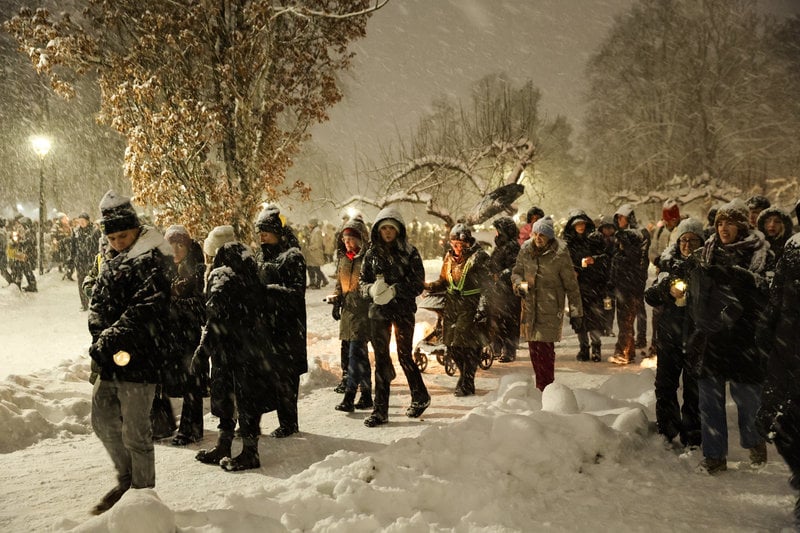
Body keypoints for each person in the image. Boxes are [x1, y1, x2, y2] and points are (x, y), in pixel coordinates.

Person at [87, 190, 173, 514]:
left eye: (123, 235)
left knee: (136, 431)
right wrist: (100, 336)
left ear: (135, 230)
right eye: (112, 238)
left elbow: (147, 309)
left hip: (141, 357)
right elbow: (96, 306)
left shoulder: (153, 260)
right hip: (109, 357)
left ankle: (143, 495)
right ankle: (126, 480)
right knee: (103, 419)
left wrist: (109, 338)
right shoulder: (108, 260)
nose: (118, 242)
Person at [685, 199, 771, 475]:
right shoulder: (707, 252)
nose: (723, 228)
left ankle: (754, 440)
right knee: (709, 400)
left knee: (748, 399)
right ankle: (714, 455)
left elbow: (766, 294)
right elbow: (696, 289)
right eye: (720, 223)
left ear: (742, 226)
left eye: (730, 223)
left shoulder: (759, 253)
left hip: (745, 338)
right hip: (711, 337)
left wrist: (742, 283)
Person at [194, 237, 276, 471]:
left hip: (229, 350)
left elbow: (214, 318)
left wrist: (204, 349)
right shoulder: (252, 276)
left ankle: (242, 450)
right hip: (249, 349)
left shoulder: (221, 277)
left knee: (229, 396)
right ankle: (237, 447)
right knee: (244, 398)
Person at [360, 207, 429, 426]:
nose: (388, 232)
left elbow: (418, 283)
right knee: (381, 359)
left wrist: (396, 290)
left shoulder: (409, 252)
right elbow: (362, 282)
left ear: (398, 230)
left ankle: (420, 396)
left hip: (403, 311)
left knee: (404, 355)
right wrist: (371, 289)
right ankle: (380, 411)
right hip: (379, 313)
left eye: (391, 228)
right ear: (378, 231)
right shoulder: (371, 254)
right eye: (384, 228)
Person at [644, 218, 704, 449]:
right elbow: (650, 296)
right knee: (665, 386)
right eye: (683, 240)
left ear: (702, 241)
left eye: (693, 240)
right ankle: (667, 431)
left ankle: (693, 435)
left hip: (697, 337)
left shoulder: (708, 265)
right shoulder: (667, 265)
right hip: (670, 336)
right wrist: (666, 288)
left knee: (693, 389)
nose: (687, 244)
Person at [757, 233, 800, 526]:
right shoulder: (794, 248)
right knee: (783, 425)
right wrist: (765, 333)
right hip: (788, 349)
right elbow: (776, 298)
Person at [511, 216, 583, 391]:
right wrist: (519, 285)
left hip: (550, 308)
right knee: (534, 350)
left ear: (550, 236)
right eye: (536, 233)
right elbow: (516, 272)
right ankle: (541, 387)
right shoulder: (526, 250)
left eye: (542, 234)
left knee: (545, 352)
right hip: (529, 308)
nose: (538, 237)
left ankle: (547, 389)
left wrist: (576, 312)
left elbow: (571, 286)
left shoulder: (559, 254)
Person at [255, 205, 308, 438]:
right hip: (266, 327)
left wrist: (267, 292)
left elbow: (296, 293)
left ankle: (289, 422)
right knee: (270, 375)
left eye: (266, 230)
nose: (262, 235)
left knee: (286, 376)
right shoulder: (261, 254)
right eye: (260, 231)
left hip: (287, 327)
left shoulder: (293, 256)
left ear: (278, 231)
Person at [426, 223, 492, 396]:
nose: (457, 248)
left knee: (466, 344)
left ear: (468, 243)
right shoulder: (448, 258)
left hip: (470, 304)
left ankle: (466, 380)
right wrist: (430, 286)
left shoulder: (479, 258)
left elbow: (489, 285)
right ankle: (465, 377)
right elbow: (443, 280)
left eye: (460, 244)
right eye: (454, 244)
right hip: (452, 305)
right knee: (451, 344)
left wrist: (482, 308)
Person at [162, 225, 207, 446]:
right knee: (165, 380)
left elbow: (200, 306)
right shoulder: (165, 269)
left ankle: (192, 428)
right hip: (168, 335)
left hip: (189, 335)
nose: (176, 250)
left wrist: (175, 302)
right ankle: (162, 425)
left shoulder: (197, 270)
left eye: (180, 245)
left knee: (192, 381)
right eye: (172, 245)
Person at [330, 217, 373, 412]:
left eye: (351, 240)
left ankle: (349, 396)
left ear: (360, 240)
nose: (348, 243)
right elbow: (339, 283)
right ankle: (366, 394)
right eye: (345, 240)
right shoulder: (343, 259)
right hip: (348, 311)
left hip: (363, 312)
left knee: (355, 353)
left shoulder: (368, 259)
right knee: (359, 355)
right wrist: (337, 299)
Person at [563, 210, 607, 362]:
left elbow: (605, 258)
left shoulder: (594, 240)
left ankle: (596, 347)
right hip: (576, 287)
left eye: (582, 223)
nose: (580, 227)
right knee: (579, 318)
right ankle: (584, 347)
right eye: (577, 224)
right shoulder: (568, 244)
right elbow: (563, 263)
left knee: (594, 318)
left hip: (593, 285)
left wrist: (594, 260)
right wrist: (572, 270)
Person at [608, 203, 650, 365]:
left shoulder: (633, 237)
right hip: (624, 284)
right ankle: (628, 350)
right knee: (625, 319)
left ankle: (622, 351)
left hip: (630, 284)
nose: (619, 220)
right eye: (618, 217)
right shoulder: (625, 236)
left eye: (622, 217)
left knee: (625, 319)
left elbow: (635, 261)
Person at [645, 199, 682, 359]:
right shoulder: (660, 232)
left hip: (678, 277)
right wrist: (658, 260)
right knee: (657, 311)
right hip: (662, 276)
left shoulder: (681, 231)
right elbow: (652, 250)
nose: (670, 222)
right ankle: (655, 343)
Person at [487, 216, 521, 363]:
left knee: (509, 321)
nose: (496, 234)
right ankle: (497, 347)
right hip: (498, 292)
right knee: (497, 320)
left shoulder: (512, 247)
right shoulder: (501, 246)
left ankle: (509, 350)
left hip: (508, 291)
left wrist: (499, 276)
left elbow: (515, 267)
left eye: (498, 231)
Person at [71, 213, 101, 311]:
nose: (81, 223)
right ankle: (84, 303)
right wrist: (73, 258)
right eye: (79, 221)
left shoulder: (95, 231)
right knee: (81, 282)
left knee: (93, 281)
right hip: (80, 261)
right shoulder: (76, 232)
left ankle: (94, 301)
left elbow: (98, 245)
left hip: (91, 261)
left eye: (83, 221)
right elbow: (73, 246)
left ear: (88, 221)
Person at [756, 207, 794, 276]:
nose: (772, 225)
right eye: (768, 221)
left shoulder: (791, 245)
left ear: (784, 225)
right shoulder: (757, 244)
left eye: (777, 221)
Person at [304, 218, 328, 289]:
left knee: (316, 268)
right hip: (312, 254)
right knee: (312, 268)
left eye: (310, 223)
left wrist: (310, 247)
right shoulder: (313, 231)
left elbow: (318, 243)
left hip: (315, 253)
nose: (308, 225)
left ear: (313, 224)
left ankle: (319, 282)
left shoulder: (317, 232)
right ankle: (314, 283)